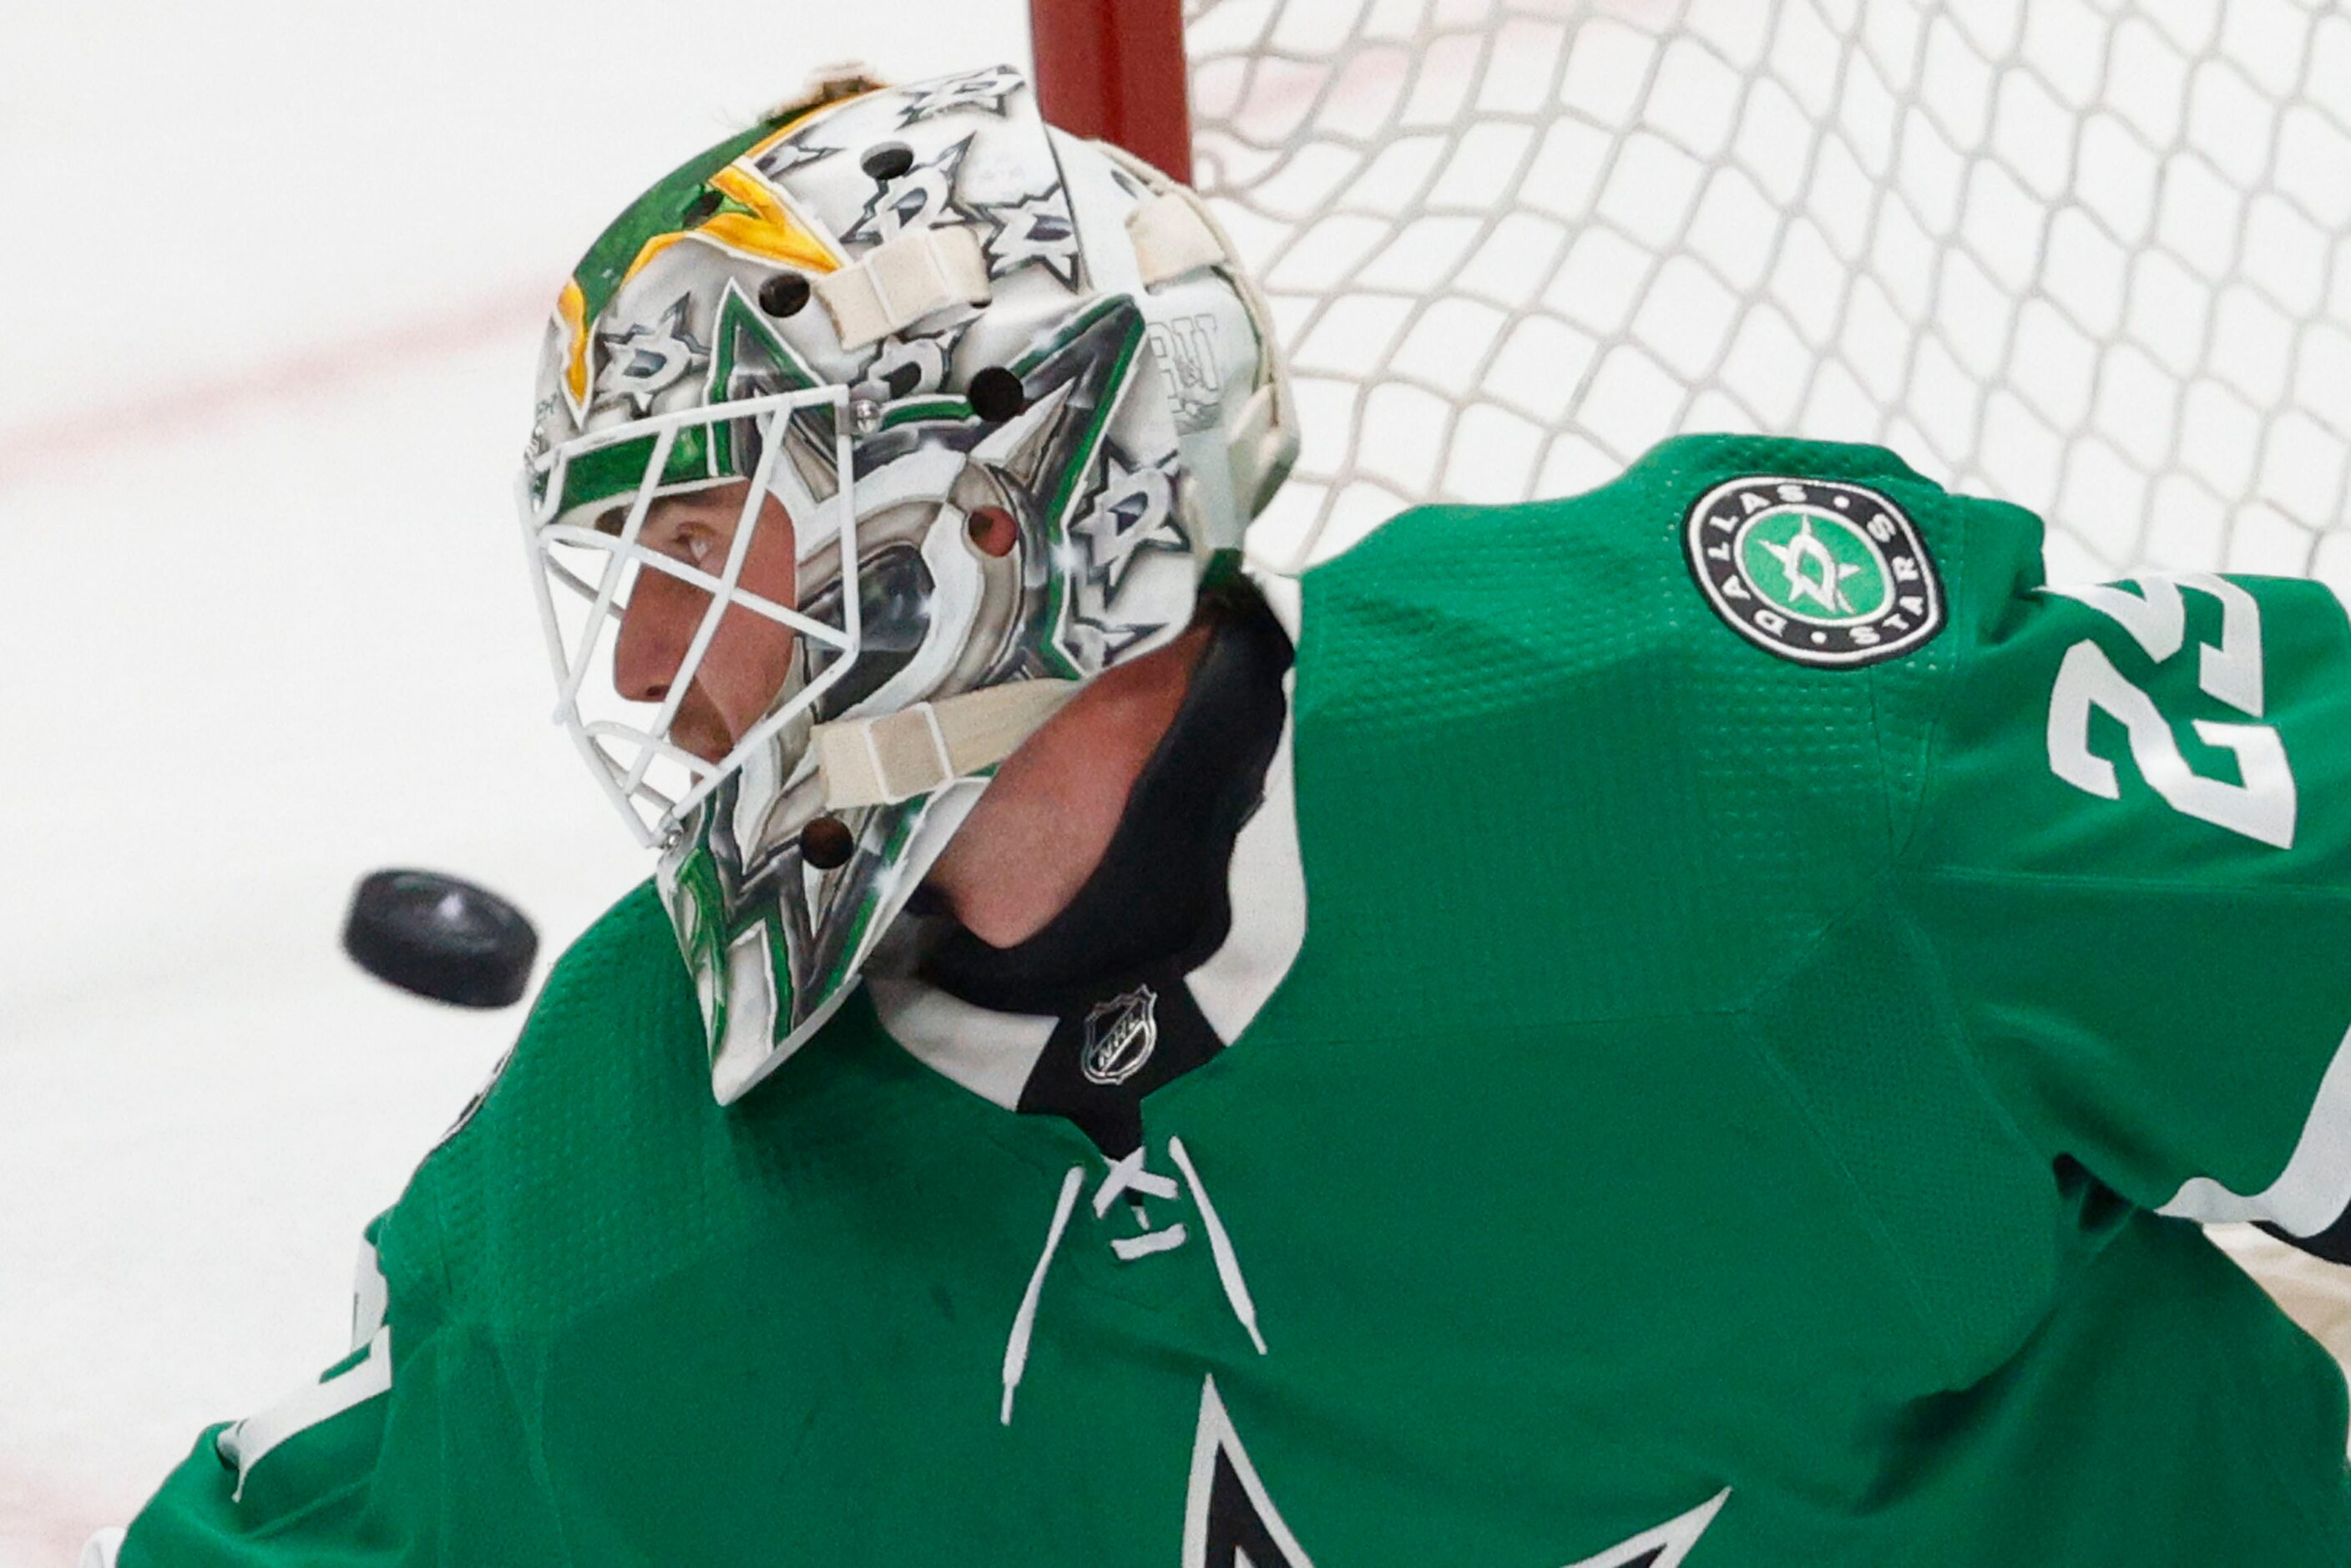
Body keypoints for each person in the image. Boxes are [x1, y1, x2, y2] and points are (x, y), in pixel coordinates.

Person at [96, 63, 2351, 1566]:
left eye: (721, 535)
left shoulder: (1723, 764)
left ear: (992, 513)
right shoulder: (630, 1199)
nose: (673, 663)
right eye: (643, 572)